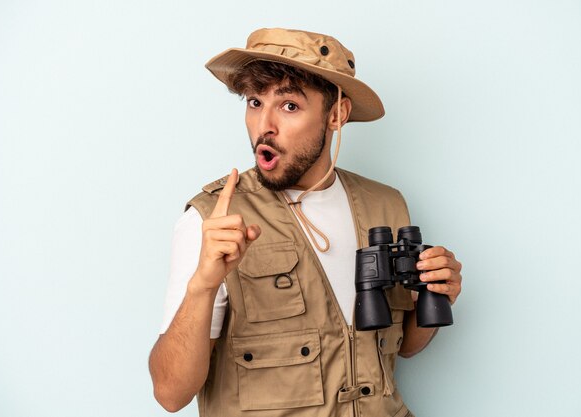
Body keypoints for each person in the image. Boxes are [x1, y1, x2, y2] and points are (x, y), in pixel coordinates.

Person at [149, 28, 462, 417]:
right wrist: (203, 286)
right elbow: (170, 393)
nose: (264, 125)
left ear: (337, 115)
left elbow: (400, 348)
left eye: (289, 106)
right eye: (254, 102)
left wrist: (439, 294)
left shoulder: (387, 205)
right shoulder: (212, 220)